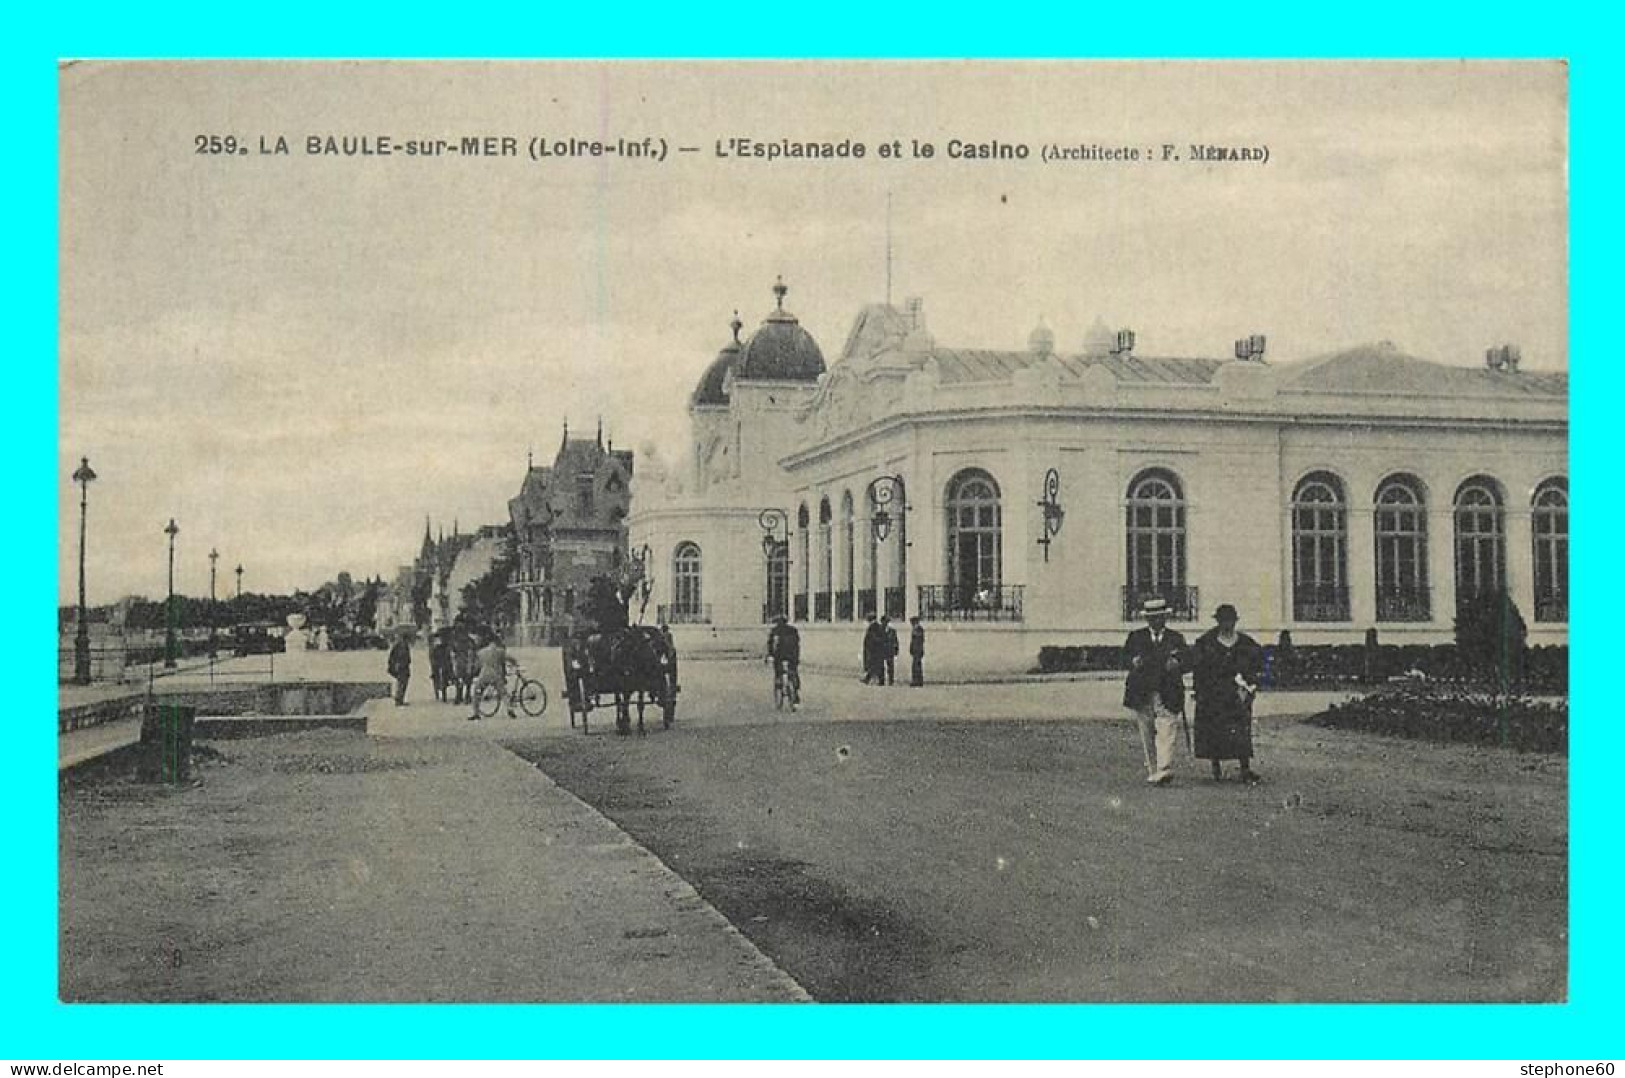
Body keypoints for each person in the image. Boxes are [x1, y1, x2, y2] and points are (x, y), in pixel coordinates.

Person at [1191, 603, 1264, 784]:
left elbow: (1257, 666)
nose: (1227, 625)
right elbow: (1198, 670)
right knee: (1214, 729)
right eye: (1223, 621)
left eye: (1230, 621)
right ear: (1217, 622)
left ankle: (1245, 768)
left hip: (1238, 693)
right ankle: (1216, 767)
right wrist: (1198, 691)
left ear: (1235, 621)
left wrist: (1252, 685)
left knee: (1241, 729)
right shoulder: (1206, 642)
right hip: (1213, 693)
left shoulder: (1246, 643)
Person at [1122, 597, 1187, 785]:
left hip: (1167, 692)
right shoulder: (1136, 637)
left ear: (1165, 618)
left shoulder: (1175, 638)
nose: (1156, 621)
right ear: (1147, 620)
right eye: (1152, 618)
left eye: (1159, 617)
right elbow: (1124, 657)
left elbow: (1188, 660)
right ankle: (1153, 769)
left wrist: (1178, 664)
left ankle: (1164, 768)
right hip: (1142, 691)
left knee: (1167, 728)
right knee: (1147, 731)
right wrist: (1132, 661)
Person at [468, 629, 510, 720]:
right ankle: (510, 709)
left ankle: (476, 713)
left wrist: (473, 673)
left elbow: (477, 666)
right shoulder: (500, 651)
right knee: (503, 693)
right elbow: (508, 659)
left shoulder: (481, 652)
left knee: (477, 692)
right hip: (496, 675)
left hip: (484, 675)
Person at [766, 615, 801, 704]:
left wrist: (770, 655)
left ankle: (779, 684)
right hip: (792, 655)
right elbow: (797, 644)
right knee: (793, 672)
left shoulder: (774, 631)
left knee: (778, 672)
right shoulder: (793, 630)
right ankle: (795, 692)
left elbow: (771, 645)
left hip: (779, 656)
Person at [386, 631, 412, 707]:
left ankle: (400, 699)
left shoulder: (403, 645)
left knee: (403, 683)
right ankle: (398, 700)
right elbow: (392, 657)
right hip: (400, 667)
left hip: (404, 666)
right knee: (401, 683)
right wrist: (393, 665)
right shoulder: (398, 645)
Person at [429, 630, 452, 702]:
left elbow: (448, 656)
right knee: (435, 674)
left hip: (444, 663)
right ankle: (437, 692)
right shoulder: (433, 647)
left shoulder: (446, 646)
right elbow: (432, 657)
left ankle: (444, 693)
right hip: (437, 663)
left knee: (445, 675)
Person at [861, 617, 885, 684]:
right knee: (874, 665)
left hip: (873, 649)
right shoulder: (874, 626)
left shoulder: (874, 626)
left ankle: (876, 680)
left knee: (874, 664)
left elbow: (873, 637)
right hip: (873, 648)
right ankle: (870, 679)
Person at [881, 615, 900, 685]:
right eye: (884, 622)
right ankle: (881, 680)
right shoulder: (879, 630)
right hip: (881, 650)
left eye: (886, 622)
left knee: (890, 666)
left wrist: (896, 650)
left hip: (889, 650)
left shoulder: (892, 630)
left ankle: (891, 680)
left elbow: (896, 641)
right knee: (881, 666)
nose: (885, 623)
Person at [909, 616, 926, 686]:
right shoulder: (914, 629)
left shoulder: (919, 629)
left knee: (917, 666)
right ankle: (915, 680)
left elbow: (920, 640)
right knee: (915, 666)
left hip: (918, 650)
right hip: (915, 650)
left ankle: (918, 681)